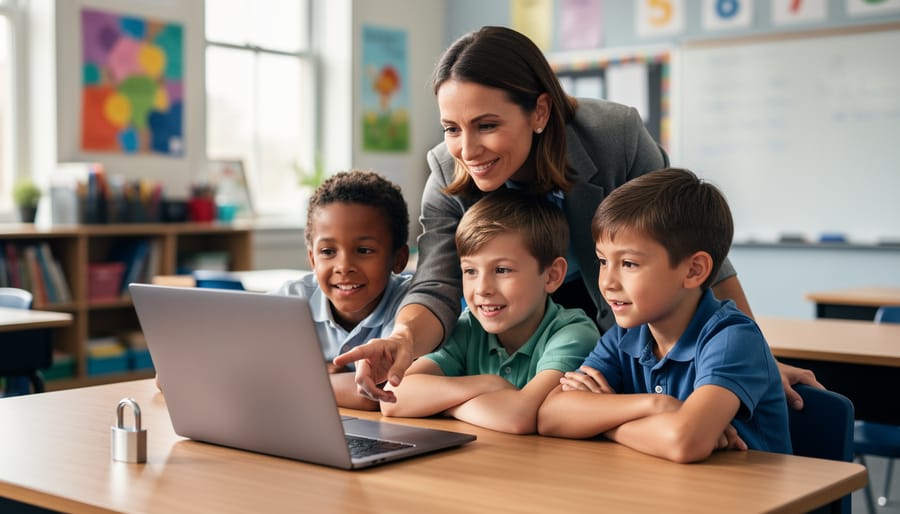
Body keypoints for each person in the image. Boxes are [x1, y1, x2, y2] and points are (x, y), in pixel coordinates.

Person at [334, 25, 820, 408]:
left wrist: (756, 358)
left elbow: (700, 254)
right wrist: (402, 339)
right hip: (523, 333)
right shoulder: (447, 166)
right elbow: (437, 282)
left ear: (540, 111)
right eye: (451, 128)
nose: (467, 149)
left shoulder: (614, 137)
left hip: (610, 325)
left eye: (487, 125)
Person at [537, 168, 791, 462]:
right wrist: (656, 406)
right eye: (603, 261)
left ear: (694, 270)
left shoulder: (732, 338)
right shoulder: (625, 336)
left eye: (629, 264)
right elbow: (551, 416)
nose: (606, 282)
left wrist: (604, 421)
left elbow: (684, 441)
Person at [380, 189, 598, 433]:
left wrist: (442, 405)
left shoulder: (574, 333)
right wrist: (489, 384)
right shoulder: (467, 327)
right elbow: (392, 397)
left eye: (502, 270)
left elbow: (518, 417)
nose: (482, 289)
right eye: (470, 271)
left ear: (552, 275)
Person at [272, 170, 411, 410]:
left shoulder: (412, 307)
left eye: (364, 250)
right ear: (312, 259)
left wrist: (306, 378)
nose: (344, 267)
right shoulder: (289, 300)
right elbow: (248, 373)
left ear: (398, 259)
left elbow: (378, 395)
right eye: (327, 252)